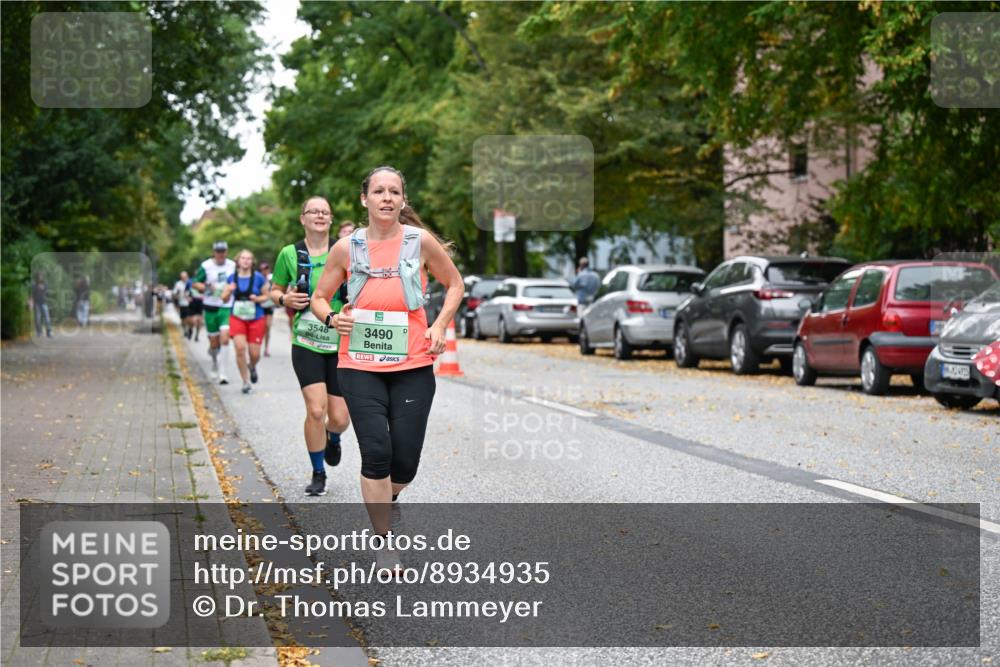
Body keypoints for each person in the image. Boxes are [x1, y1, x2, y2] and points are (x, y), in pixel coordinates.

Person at [311, 166, 463, 573]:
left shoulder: (419, 242)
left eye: (394, 191)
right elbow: (320, 298)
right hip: (359, 364)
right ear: (365, 199)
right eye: (378, 191)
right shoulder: (346, 247)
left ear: (402, 199)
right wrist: (332, 319)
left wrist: (439, 325)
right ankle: (384, 542)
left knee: (405, 463)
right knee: (377, 452)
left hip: (412, 364)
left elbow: (455, 284)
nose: (386, 198)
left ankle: (388, 499)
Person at [270, 197, 352, 497]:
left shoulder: (345, 251)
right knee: (316, 410)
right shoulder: (289, 254)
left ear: (331, 219)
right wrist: (284, 299)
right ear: (302, 218)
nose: (319, 215)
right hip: (306, 341)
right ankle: (318, 472)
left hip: (341, 342)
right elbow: (275, 290)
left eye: (325, 212)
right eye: (313, 211)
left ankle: (333, 436)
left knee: (340, 418)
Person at [222, 249, 269, 394]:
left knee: (255, 354)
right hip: (237, 317)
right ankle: (245, 381)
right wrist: (229, 290)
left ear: (252, 262)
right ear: (238, 261)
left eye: (248, 258)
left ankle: (252, 366)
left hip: (256, 318)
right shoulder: (231, 278)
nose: (245, 261)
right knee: (240, 348)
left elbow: (267, 296)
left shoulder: (259, 277)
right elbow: (224, 299)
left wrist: (257, 298)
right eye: (243, 258)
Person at [192, 241, 236, 384]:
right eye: (218, 252)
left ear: (227, 252)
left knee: (225, 338)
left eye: (223, 251)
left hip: (226, 306)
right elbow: (195, 283)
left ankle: (223, 373)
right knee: (214, 343)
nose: (220, 254)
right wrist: (207, 287)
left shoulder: (232, 265)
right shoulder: (206, 266)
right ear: (214, 252)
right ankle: (215, 361)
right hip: (210, 306)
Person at [258, 261, 275, 357]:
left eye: (266, 269)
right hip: (259, 306)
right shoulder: (258, 278)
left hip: (269, 306)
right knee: (260, 327)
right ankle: (257, 346)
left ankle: (266, 348)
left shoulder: (272, 278)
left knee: (268, 326)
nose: (265, 271)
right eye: (263, 269)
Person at [173, 271, 193, 338]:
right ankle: (185, 330)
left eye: (185, 277)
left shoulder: (191, 282)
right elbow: (174, 294)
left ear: (187, 276)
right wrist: (178, 296)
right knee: (183, 318)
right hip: (182, 303)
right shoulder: (178, 284)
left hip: (190, 303)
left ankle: (190, 328)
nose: (184, 278)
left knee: (189, 318)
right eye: (182, 277)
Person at [187, 273, 203, 341]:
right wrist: (188, 298)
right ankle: (190, 329)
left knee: (199, 320)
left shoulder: (203, 281)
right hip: (193, 302)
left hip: (201, 302)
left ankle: (197, 335)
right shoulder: (190, 281)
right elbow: (186, 291)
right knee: (193, 321)